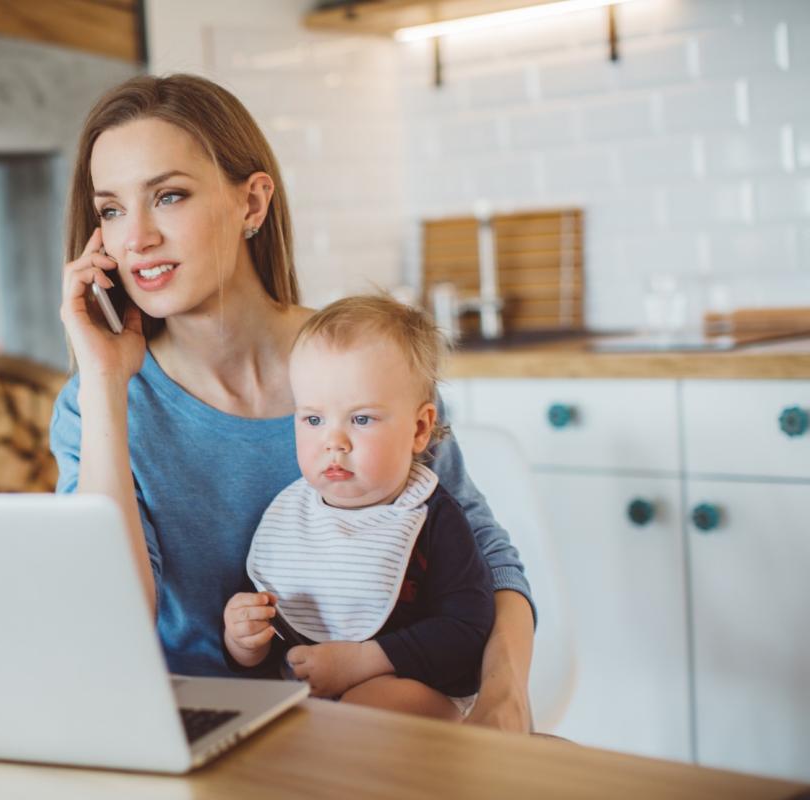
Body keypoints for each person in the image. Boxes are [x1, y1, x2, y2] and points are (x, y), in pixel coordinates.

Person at [50, 73, 537, 732]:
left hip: (374, 719)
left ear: (252, 203)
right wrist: (106, 382)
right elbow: (103, 618)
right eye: (110, 210)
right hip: (190, 730)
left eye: (168, 196)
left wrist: (504, 698)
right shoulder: (95, 405)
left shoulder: (367, 361)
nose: (135, 239)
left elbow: (485, 554)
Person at [225, 295, 494, 720]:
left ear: (420, 428)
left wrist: (362, 662)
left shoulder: (429, 516)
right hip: (309, 701)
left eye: (361, 419)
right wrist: (244, 642)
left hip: (421, 692)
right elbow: (278, 633)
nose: (334, 441)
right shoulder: (290, 516)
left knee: (360, 715)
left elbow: (466, 631)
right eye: (313, 420)